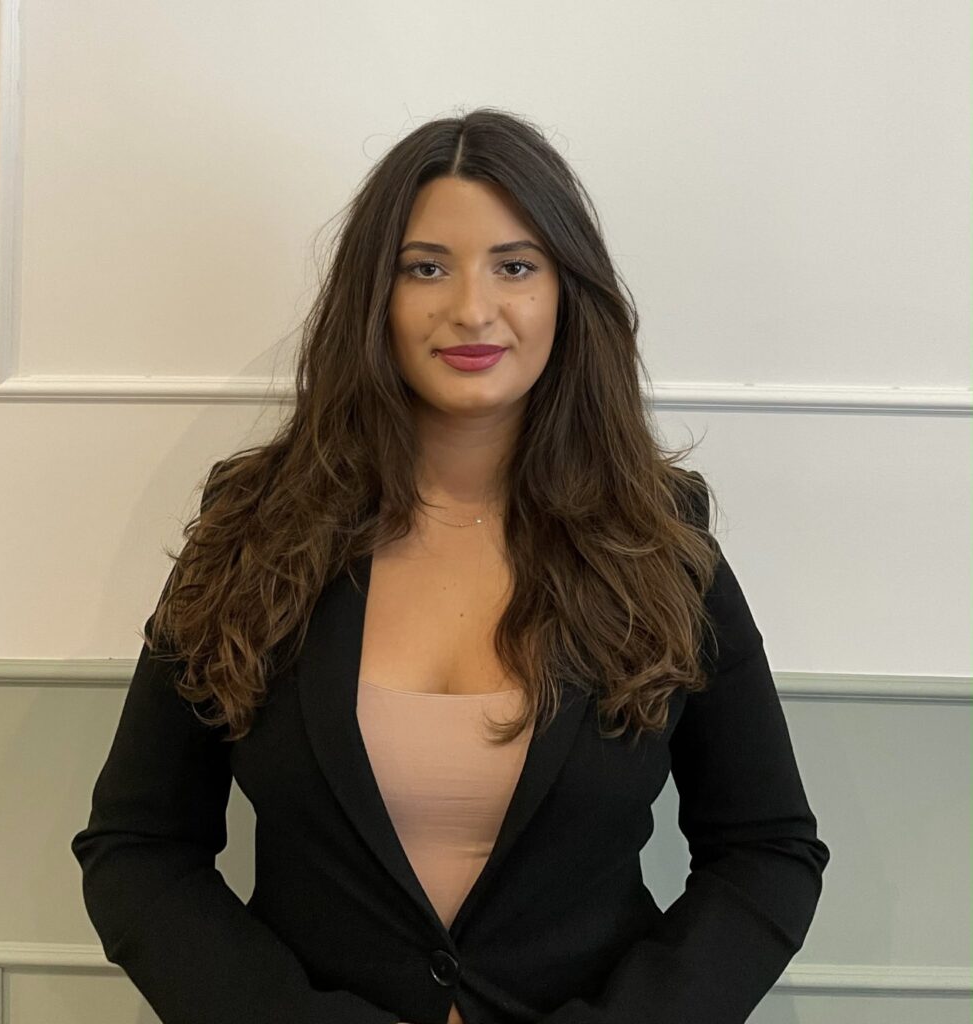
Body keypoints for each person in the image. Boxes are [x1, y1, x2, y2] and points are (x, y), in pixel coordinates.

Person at [71, 107, 830, 1024]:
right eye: (425, 267)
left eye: (515, 266)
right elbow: (139, 847)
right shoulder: (252, 530)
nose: (471, 308)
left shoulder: (660, 542)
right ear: (373, 297)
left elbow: (765, 852)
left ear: (567, 293)